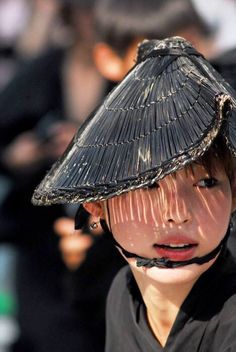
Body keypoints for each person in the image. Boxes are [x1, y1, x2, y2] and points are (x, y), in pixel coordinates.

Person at [33, 36, 236, 351]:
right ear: (97, 203)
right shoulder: (123, 293)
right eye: (148, 184)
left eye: (207, 183)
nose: (177, 212)